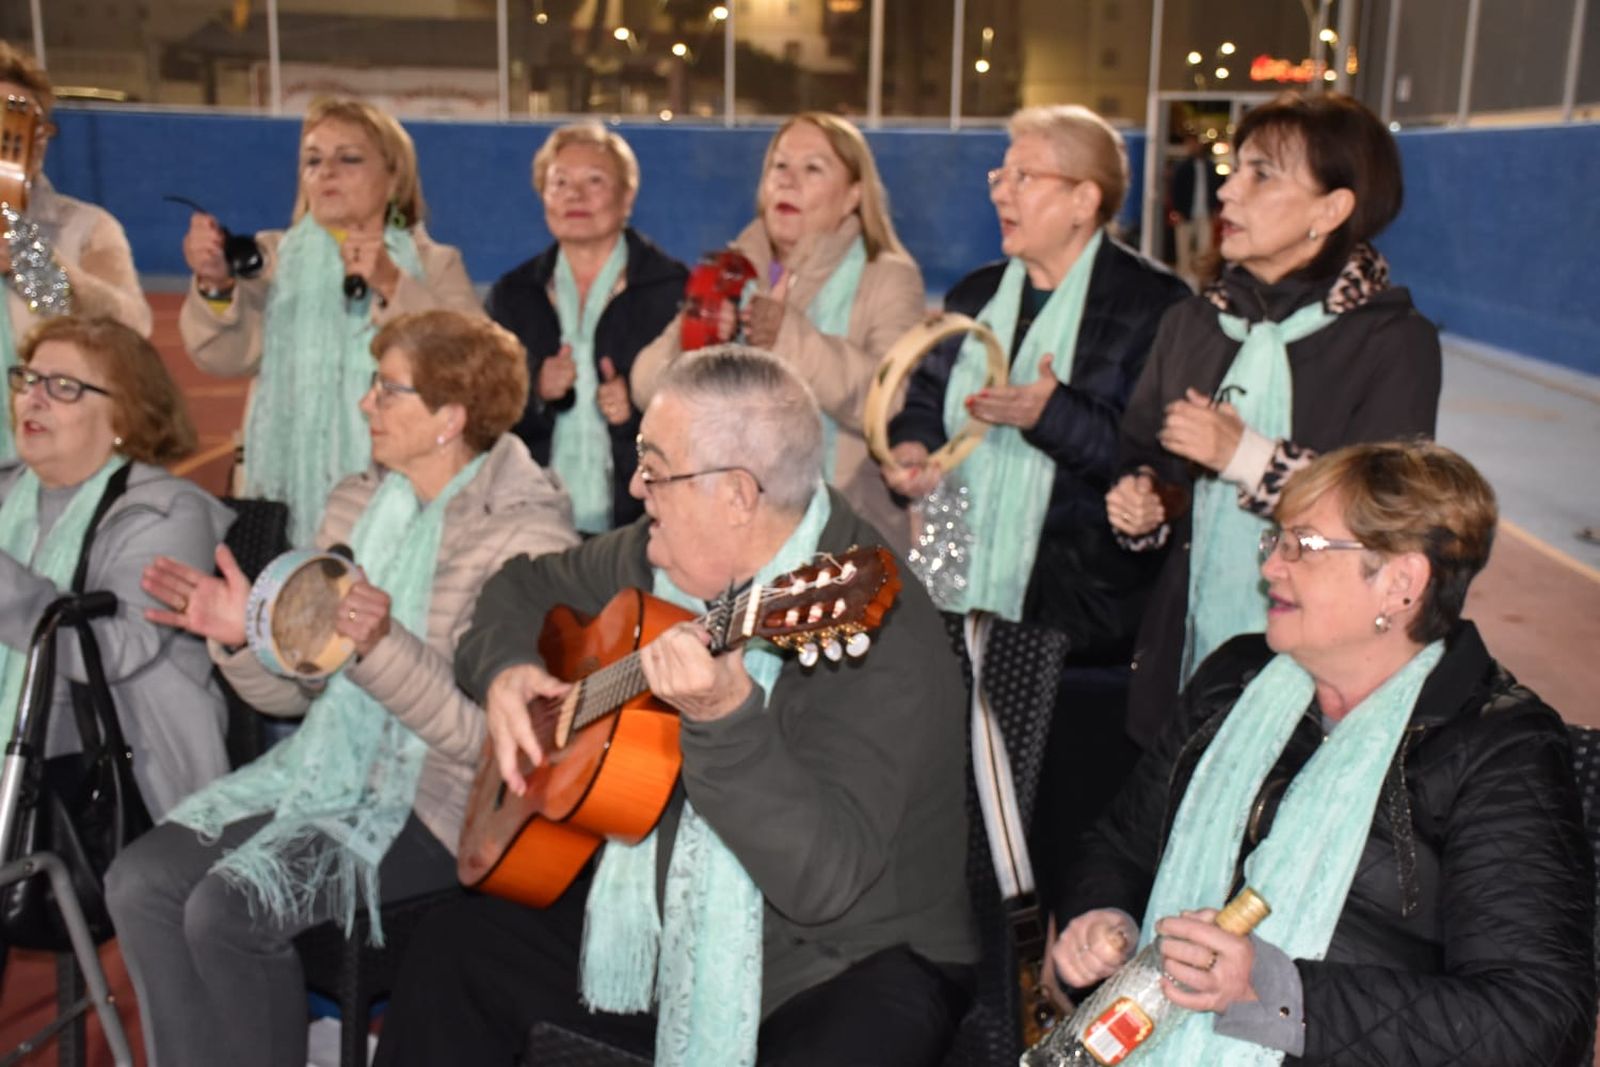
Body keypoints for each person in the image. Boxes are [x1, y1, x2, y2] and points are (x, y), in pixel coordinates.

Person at [374, 346, 978, 1067]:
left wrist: (725, 719)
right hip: (667, 918)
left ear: (738, 496)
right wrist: (506, 670)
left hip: (846, 960)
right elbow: (519, 588)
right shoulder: (661, 557)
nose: (636, 485)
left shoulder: (874, 633)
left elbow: (823, 882)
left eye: (656, 468)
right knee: (454, 950)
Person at [104, 310, 578, 1067]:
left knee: (226, 910)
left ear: (451, 417)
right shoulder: (359, 502)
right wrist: (246, 636)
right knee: (139, 881)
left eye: (389, 389)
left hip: (446, 804)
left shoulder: (526, 534)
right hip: (327, 773)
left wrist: (381, 648)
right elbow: (299, 698)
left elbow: (488, 744)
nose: (366, 403)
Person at [1047, 441, 1596, 1065]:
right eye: (1276, 541)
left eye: (1302, 545)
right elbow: (1121, 845)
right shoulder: (1236, 679)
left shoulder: (1498, 748)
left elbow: (1535, 1020)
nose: (1271, 567)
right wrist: (1106, 919)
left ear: (1400, 583)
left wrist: (1278, 994)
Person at [1109, 90, 1442, 746]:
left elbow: (1384, 519)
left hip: (1321, 686)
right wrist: (1143, 500)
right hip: (1183, 662)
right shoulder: (1193, 323)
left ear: (1331, 209)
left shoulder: (1393, 342)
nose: (1227, 192)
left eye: (1261, 174)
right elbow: (1143, 452)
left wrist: (1246, 457)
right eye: (1235, 170)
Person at [885, 103, 1188, 644]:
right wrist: (914, 447)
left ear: (1083, 200)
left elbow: (1160, 459)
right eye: (1000, 176)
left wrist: (1052, 414)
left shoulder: (1157, 305)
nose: (1000, 193)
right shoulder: (975, 295)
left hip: (1080, 611)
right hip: (952, 581)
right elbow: (926, 398)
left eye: (1023, 177)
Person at [178, 97, 483, 545]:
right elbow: (223, 357)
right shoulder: (272, 262)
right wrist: (216, 287)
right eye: (313, 160)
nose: (327, 172)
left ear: (394, 176)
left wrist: (392, 283)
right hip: (283, 503)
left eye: (349, 158)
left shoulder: (433, 265)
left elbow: (475, 367)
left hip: (401, 497)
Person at [631, 113, 925, 551]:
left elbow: (887, 401)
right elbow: (645, 388)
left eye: (813, 169)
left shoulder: (889, 277)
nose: (788, 181)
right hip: (728, 530)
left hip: (844, 535)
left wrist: (788, 338)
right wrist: (695, 338)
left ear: (853, 195)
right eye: (779, 166)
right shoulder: (734, 269)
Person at [0, 316, 228, 818]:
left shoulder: (168, 514)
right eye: (28, 380)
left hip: (112, 783)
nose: (33, 399)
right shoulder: (8, 492)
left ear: (124, 417)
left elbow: (111, 650)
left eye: (64, 387)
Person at [487, 123, 687, 535]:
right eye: (559, 183)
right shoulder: (513, 294)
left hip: (642, 522)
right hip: (530, 520)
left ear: (627, 196)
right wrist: (535, 391)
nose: (574, 196)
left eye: (594, 181)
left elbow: (701, 414)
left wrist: (635, 411)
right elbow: (482, 413)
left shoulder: (672, 291)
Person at [0, 44, 153, 459]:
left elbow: (132, 330)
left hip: (52, 463)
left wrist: (38, 268)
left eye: (29, 125)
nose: (16, 138)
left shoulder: (85, 228)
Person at [1167, 129, 1224, 287]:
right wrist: (1177, 211)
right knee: (1184, 252)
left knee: (1204, 252)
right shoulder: (1182, 167)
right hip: (1185, 215)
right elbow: (1175, 190)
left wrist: (1215, 209)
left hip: (1205, 214)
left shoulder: (1210, 166)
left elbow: (1215, 188)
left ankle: (1201, 284)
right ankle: (1184, 284)